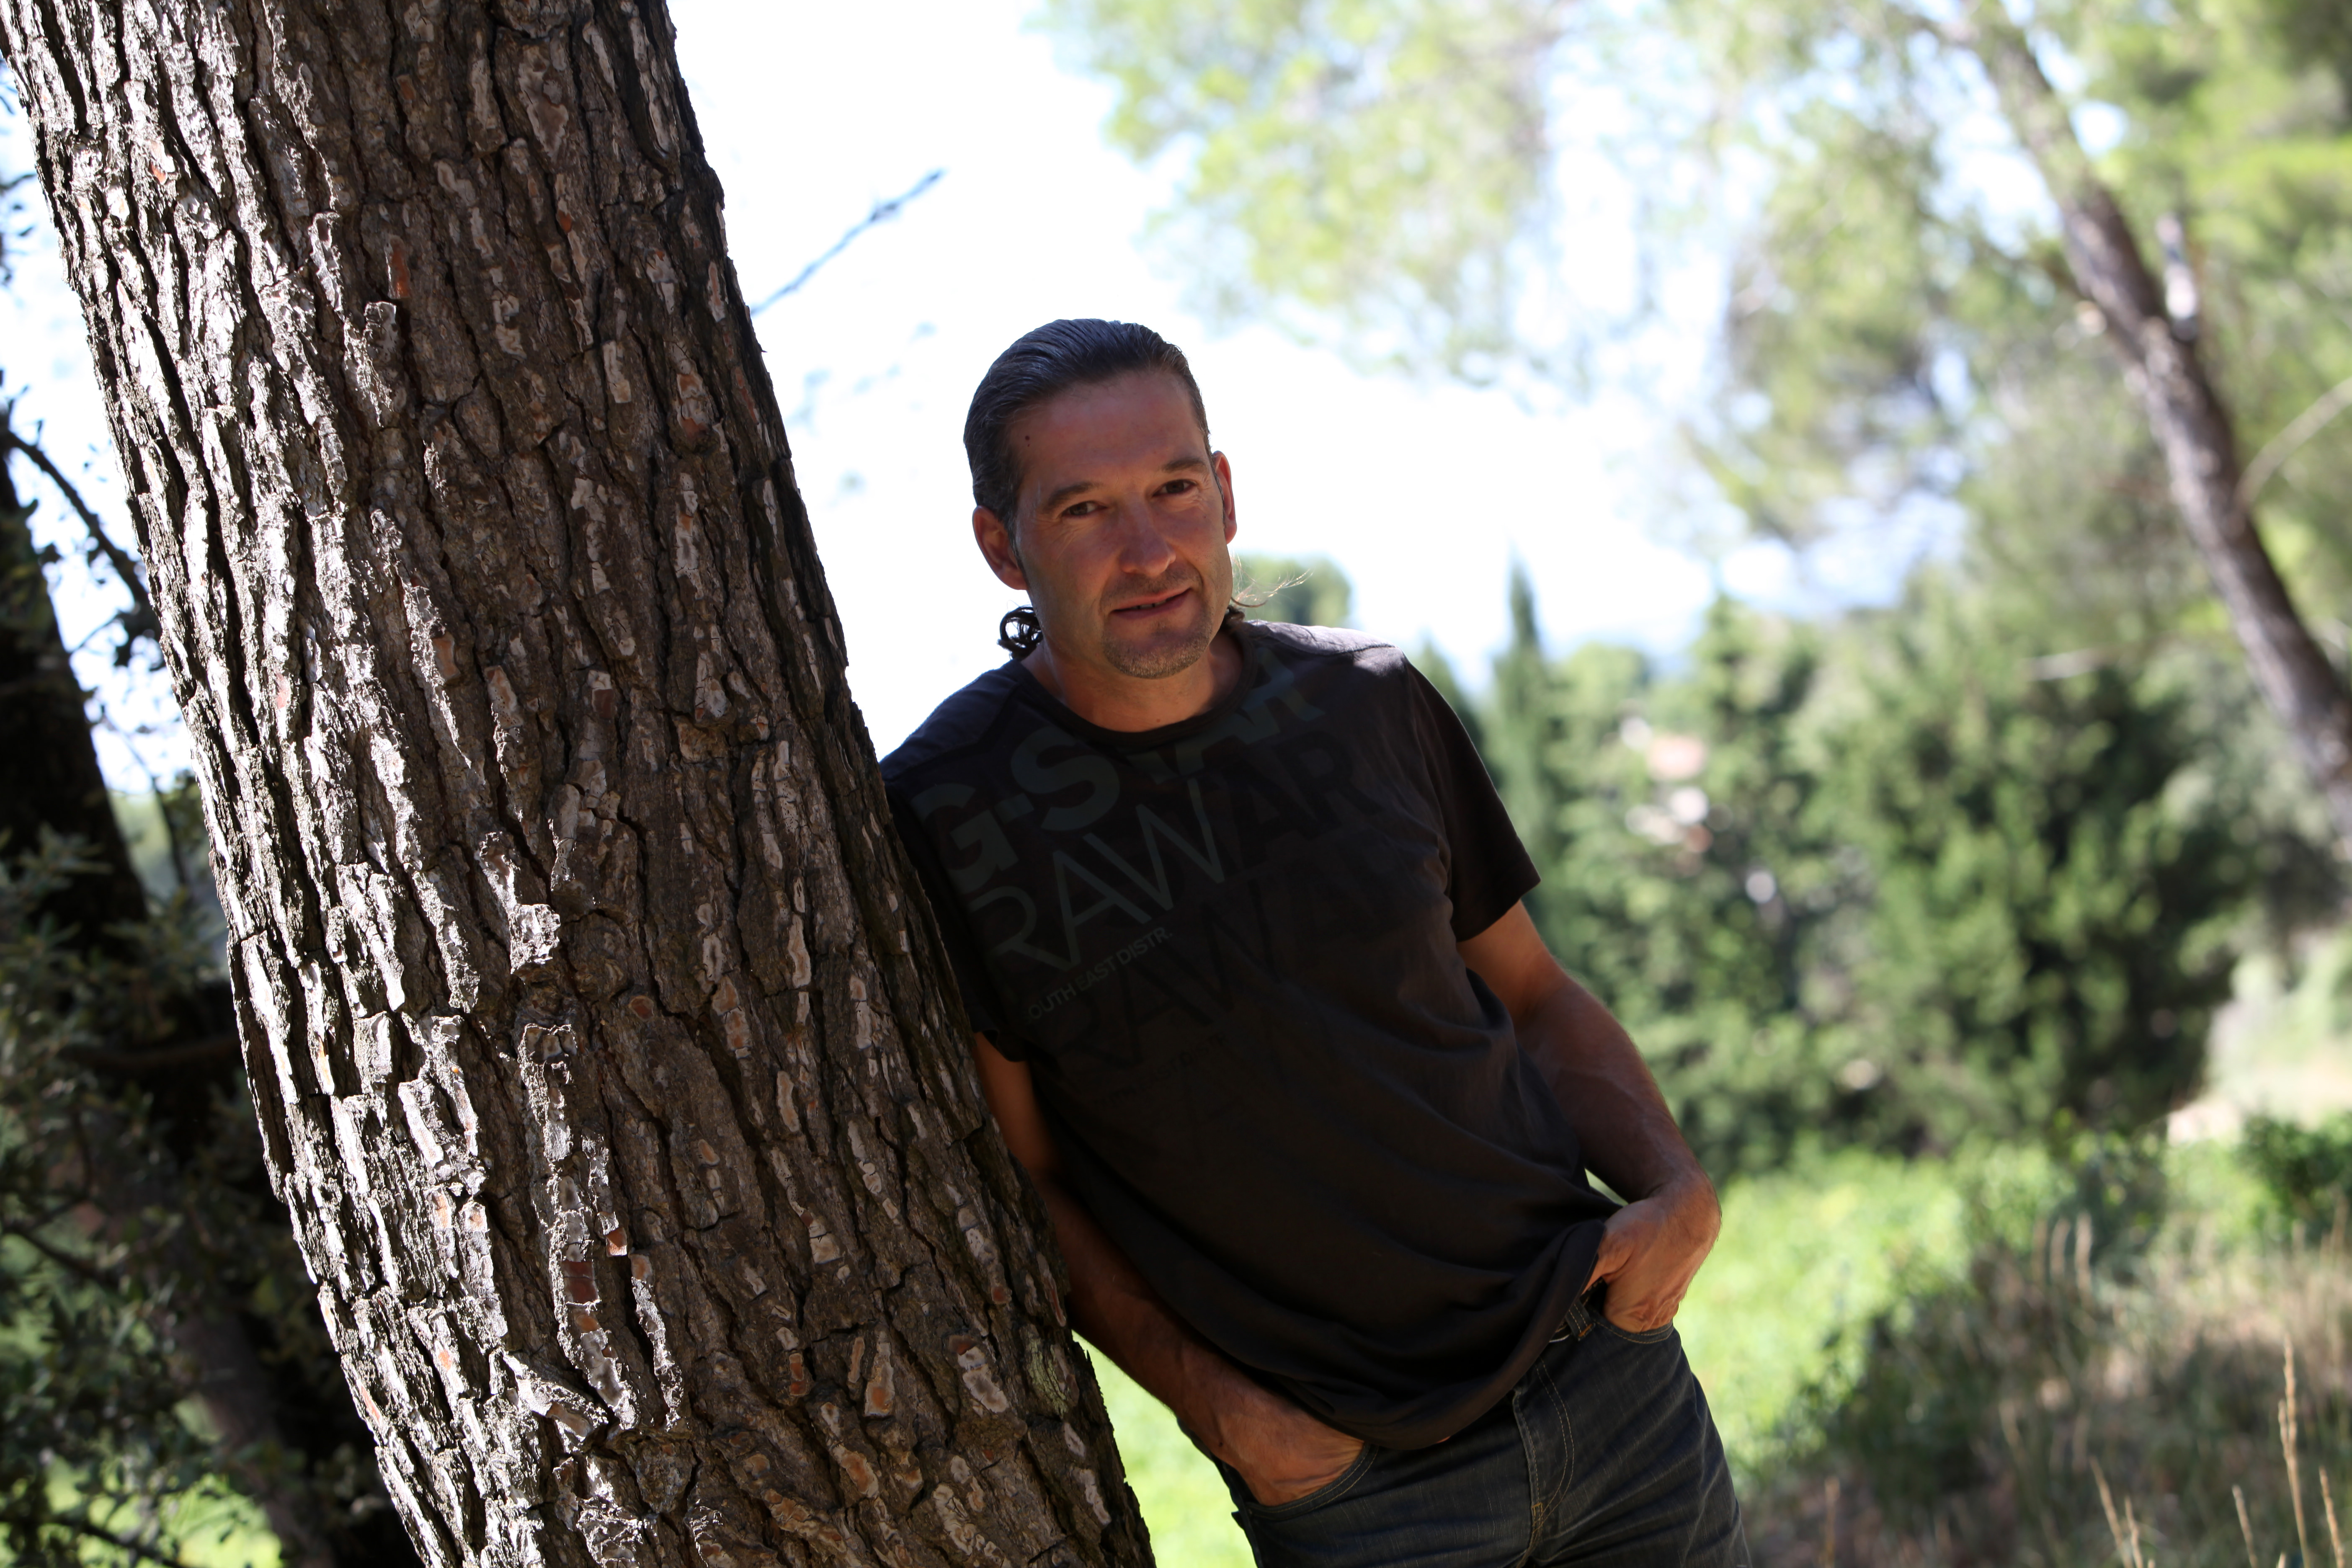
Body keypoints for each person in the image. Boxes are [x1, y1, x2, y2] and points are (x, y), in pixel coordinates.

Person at [881, 319, 1745, 1567]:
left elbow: (1534, 998)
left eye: (1176, 488)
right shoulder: (947, 816)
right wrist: (1222, 1409)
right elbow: (1025, 1180)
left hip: (1613, 1391)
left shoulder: (1370, 699)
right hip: (1362, 1497)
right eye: (1084, 510)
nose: (1148, 548)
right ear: (1001, 547)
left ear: (1225, 494)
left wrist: (1677, 1192)